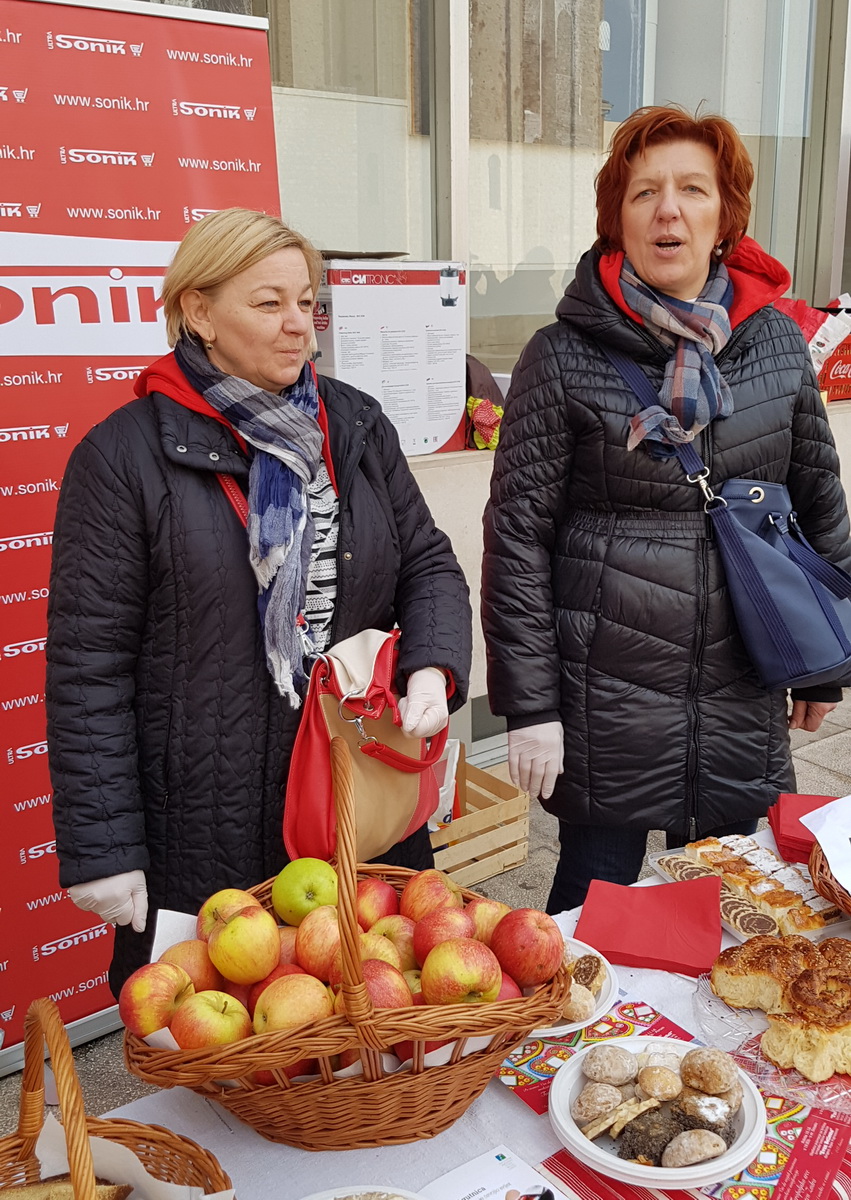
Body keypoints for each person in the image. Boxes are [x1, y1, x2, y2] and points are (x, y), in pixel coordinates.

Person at [46, 208, 472, 995]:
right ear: (199, 311)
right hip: (207, 825)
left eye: (306, 303)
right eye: (268, 303)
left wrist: (432, 666)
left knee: (374, 1024)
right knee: (238, 1058)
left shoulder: (352, 425)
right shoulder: (123, 457)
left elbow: (429, 563)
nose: (298, 328)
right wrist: (103, 845)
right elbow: (88, 668)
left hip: (358, 794)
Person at [481, 105, 851, 915]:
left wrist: (825, 662)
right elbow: (516, 540)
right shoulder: (561, 354)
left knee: (727, 913)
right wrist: (530, 705)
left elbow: (819, 504)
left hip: (739, 680)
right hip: (602, 694)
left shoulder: (777, 346)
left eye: (692, 189)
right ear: (617, 218)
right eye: (643, 192)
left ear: (725, 218)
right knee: (587, 915)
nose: (667, 209)